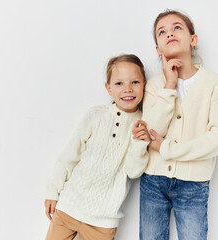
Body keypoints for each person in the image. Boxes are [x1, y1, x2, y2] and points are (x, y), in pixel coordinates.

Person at [137, 9, 218, 240]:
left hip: (194, 184)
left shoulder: (213, 83)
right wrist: (169, 86)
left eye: (177, 27)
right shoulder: (154, 85)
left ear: (193, 40)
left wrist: (168, 148)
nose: (170, 33)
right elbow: (150, 132)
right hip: (153, 181)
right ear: (159, 50)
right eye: (162, 32)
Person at [44, 54, 150, 240]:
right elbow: (69, 156)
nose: (127, 89)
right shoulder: (96, 116)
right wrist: (53, 191)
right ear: (108, 88)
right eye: (119, 83)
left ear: (144, 85)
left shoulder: (142, 125)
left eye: (134, 82)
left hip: (103, 220)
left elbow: (133, 172)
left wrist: (140, 144)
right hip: (69, 206)